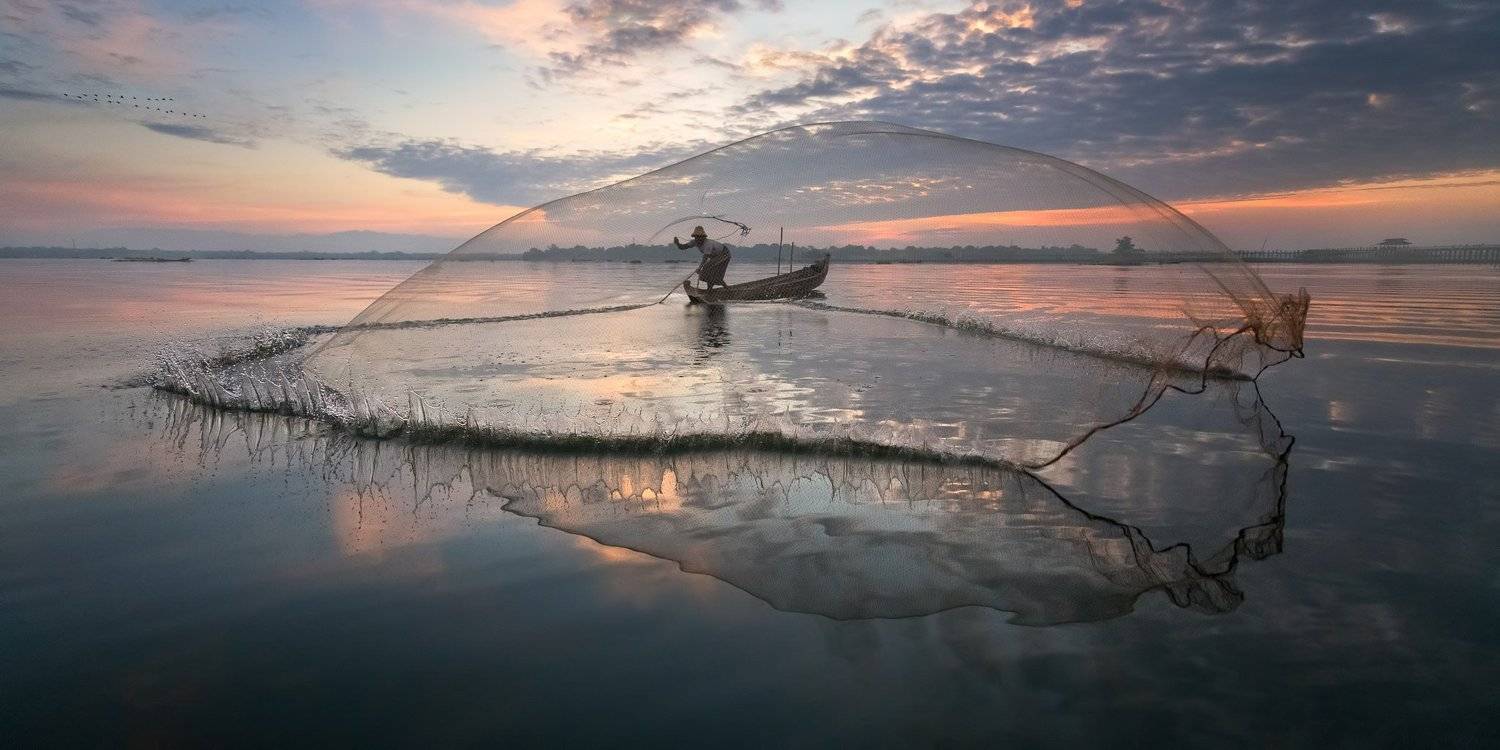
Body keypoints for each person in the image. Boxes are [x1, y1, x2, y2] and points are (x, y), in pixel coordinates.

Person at [674, 225, 732, 290]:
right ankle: (710, 289)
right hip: (714, 256)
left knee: (709, 269)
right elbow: (683, 247)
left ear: (703, 237)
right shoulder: (694, 242)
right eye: (696, 237)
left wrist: (700, 268)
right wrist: (677, 243)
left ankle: (725, 289)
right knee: (710, 271)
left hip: (724, 254)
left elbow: (705, 258)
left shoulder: (708, 244)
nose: (698, 239)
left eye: (700, 237)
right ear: (694, 237)